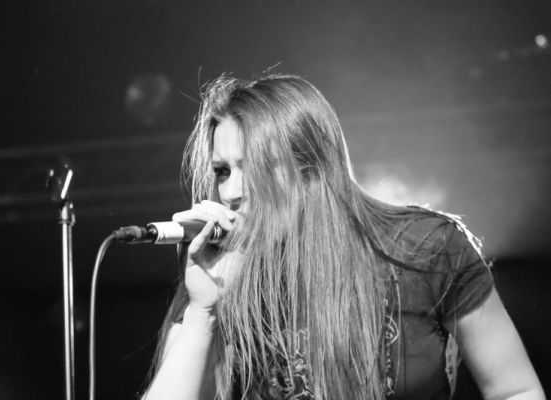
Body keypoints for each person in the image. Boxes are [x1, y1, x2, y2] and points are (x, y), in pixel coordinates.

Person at [141, 74, 544, 400]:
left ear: (311, 168)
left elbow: (515, 390)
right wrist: (203, 314)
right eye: (222, 171)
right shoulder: (216, 272)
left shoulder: (424, 247)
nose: (230, 191)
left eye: (256, 167)